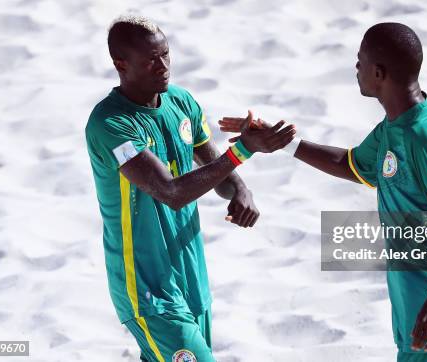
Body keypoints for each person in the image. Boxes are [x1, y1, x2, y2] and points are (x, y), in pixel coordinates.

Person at [220, 22, 427, 362]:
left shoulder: (426, 135)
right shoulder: (394, 127)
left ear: (378, 72)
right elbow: (350, 164)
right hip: (426, 317)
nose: (356, 67)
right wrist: (281, 142)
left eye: (360, 60)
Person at [85, 15, 295, 362]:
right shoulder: (111, 124)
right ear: (120, 64)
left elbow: (219, 175)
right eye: (151, 59)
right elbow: (171, 193)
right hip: (147, 288)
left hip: (191, 277)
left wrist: (241, 190)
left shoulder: (181, 103)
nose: (163, 66)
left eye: (166, 54)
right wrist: (242, 150)